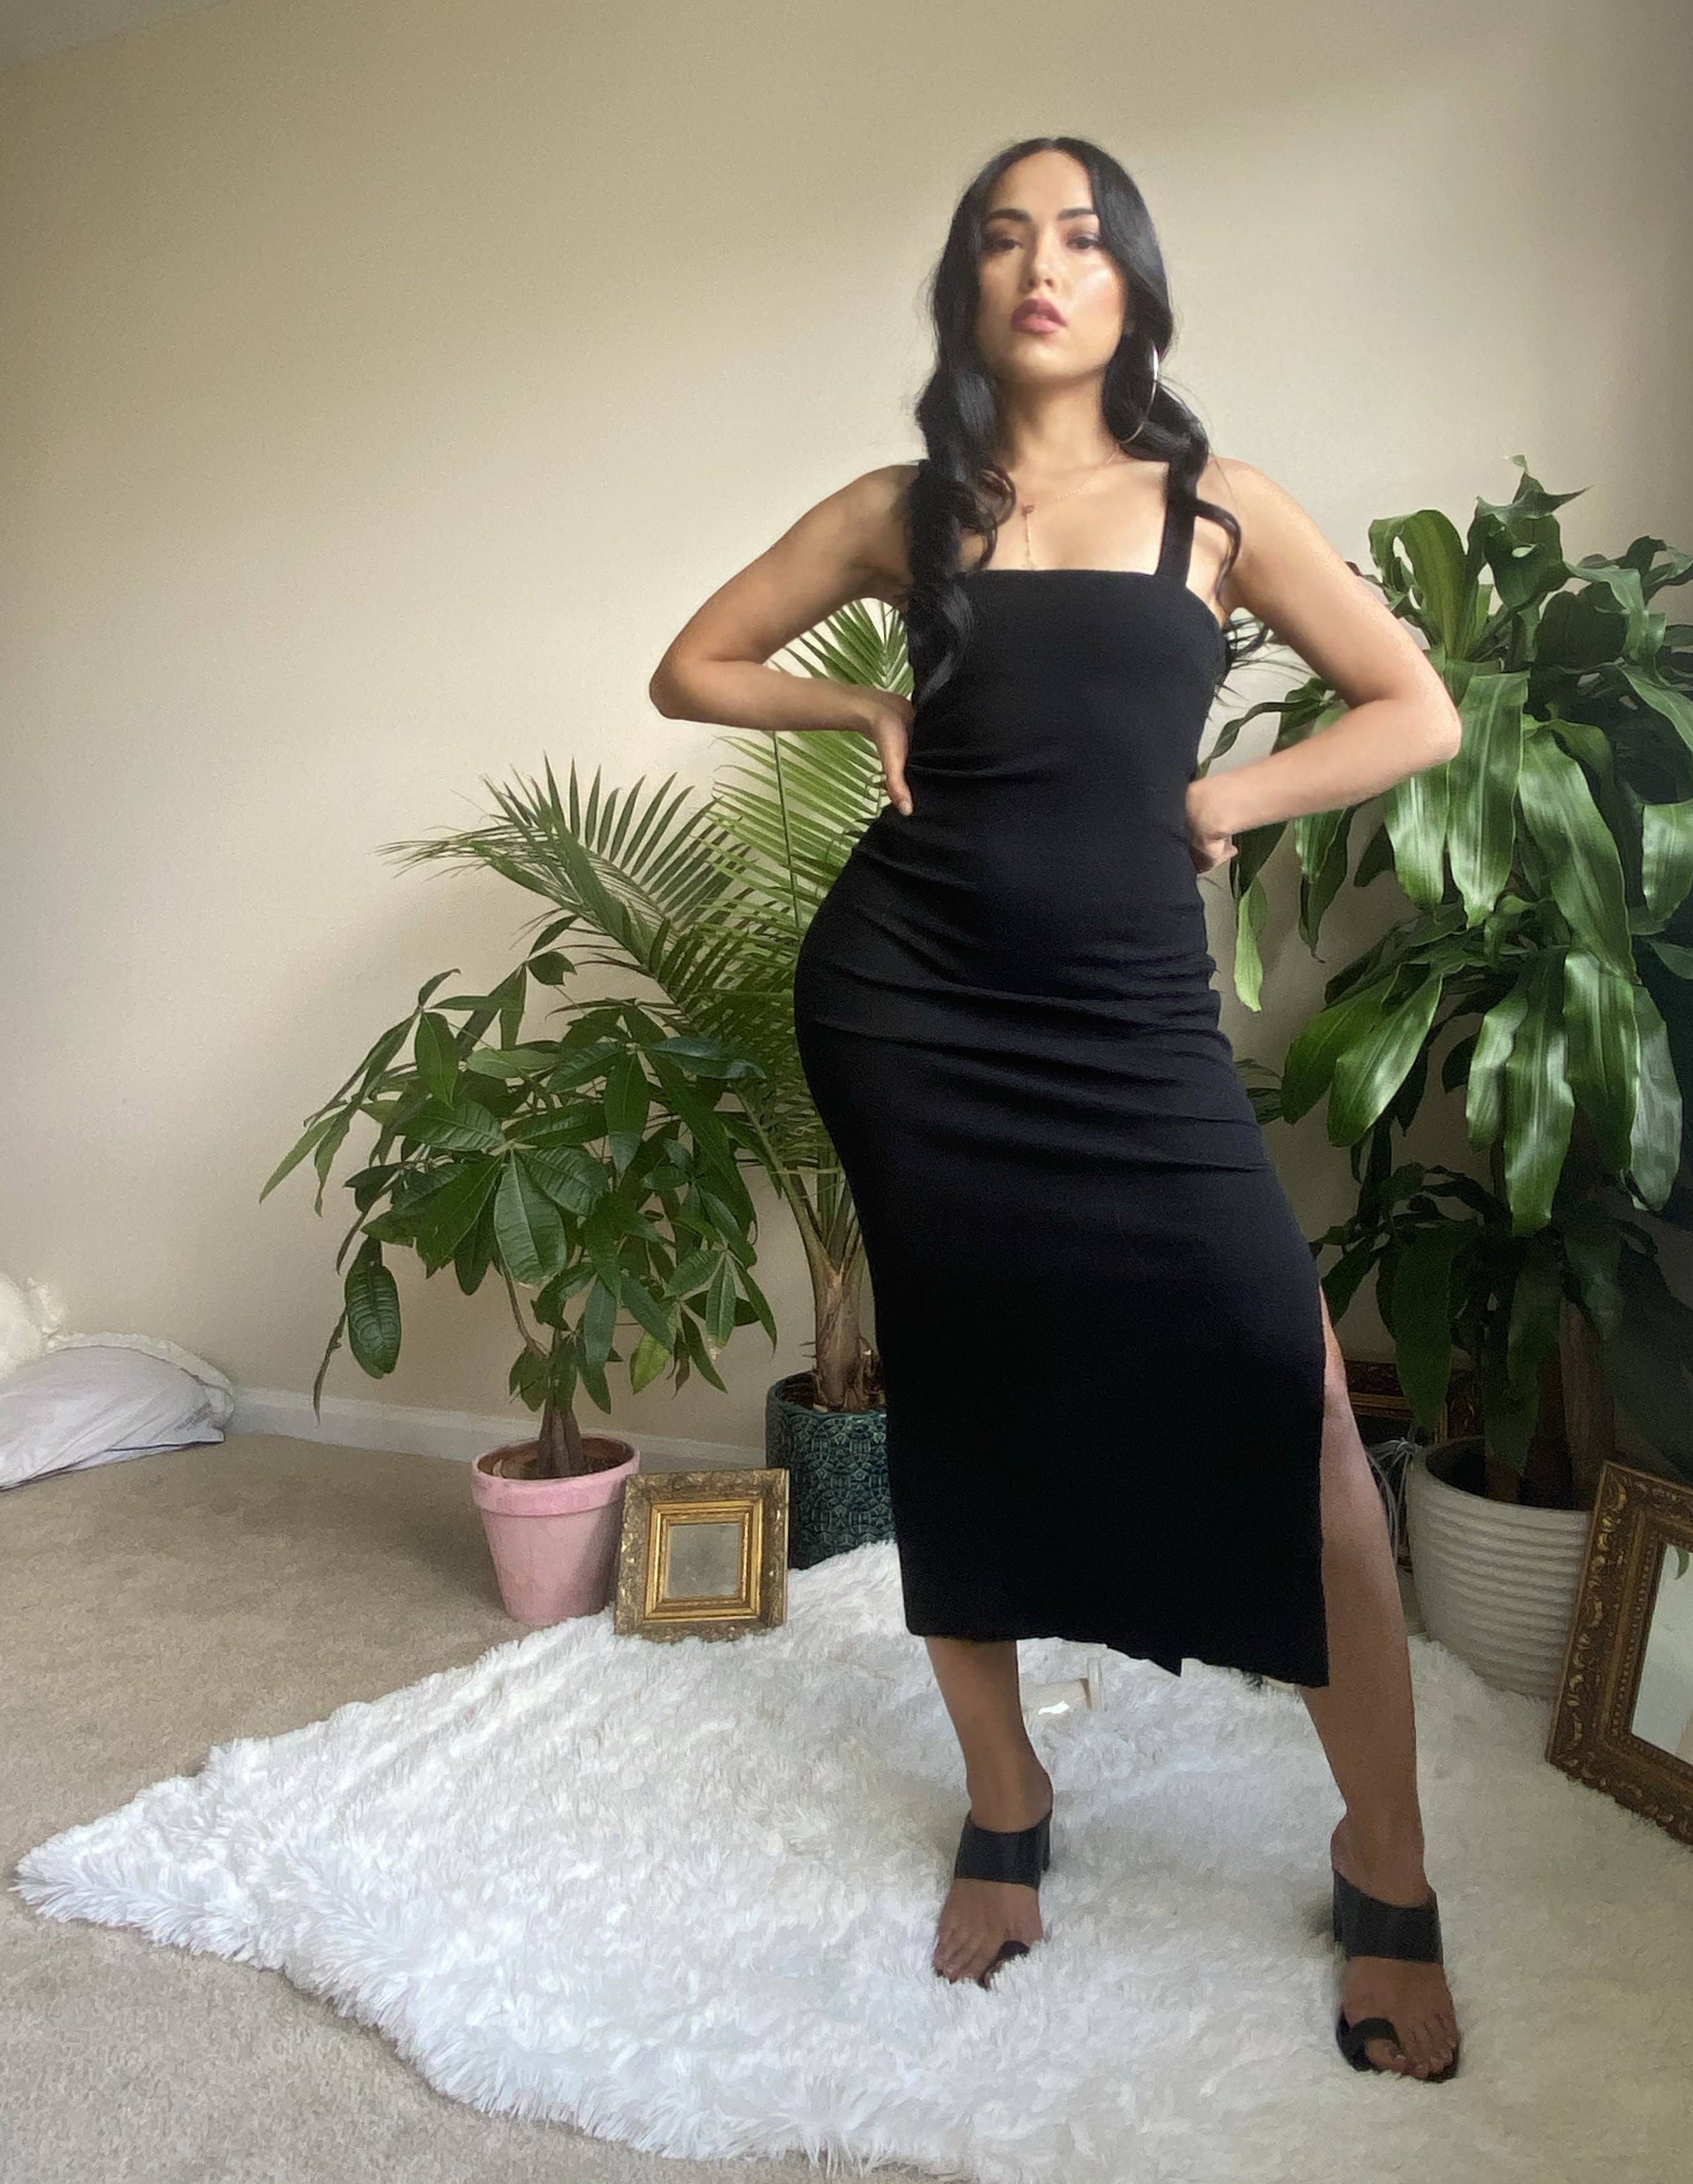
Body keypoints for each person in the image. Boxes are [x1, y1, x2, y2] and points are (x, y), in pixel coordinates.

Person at [648, 135, 1465, 2082]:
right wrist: (858, 710)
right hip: (912, 1005)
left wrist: (1224, 796)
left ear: (1132, 285)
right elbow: (691, 669)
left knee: (1295, 1399)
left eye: (1083, 238)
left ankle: (1388, 1856)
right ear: (967, 287)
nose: (1044, 266)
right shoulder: (903, 510)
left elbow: (1414, 707)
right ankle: (1006, 1801)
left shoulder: (1220, 505)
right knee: (968, 1390)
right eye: (1005, 238)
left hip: (1126, 1018)